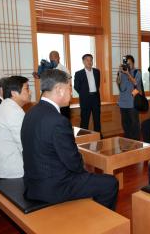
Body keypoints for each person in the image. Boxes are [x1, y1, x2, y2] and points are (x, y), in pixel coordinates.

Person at [21, 69, 118, 210]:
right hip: (54, 187)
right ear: (59, 89)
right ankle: (100, 223)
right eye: (69, 88)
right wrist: (85, 172)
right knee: (110, 183)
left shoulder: (30, 113)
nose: (71, 93)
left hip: (32, 183)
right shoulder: (57, 121)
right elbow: (74, 163)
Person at [0, 76, 31, 178]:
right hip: (13, 169)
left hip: (4, 165)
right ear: (14, 93)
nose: (30, 92)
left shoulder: (7, 106)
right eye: (27, 88)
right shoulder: (12, 111)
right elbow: (26, 144)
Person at [34, 50, 71, 119]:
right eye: (50, 59)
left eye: (54, 58)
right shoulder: (48, 68)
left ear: (58, 58)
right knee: (50, 117)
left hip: (60, 97)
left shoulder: (63, 68)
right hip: (49, 97)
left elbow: (67, 82)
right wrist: (39, 75)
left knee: (63, 117)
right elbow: (46, 81)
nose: (52, 60)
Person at [117, 55, 143, 140]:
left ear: (133, 63)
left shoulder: (137, 72)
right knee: (125, 124)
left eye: (130, 64)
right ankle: (128, 142)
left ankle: (136, 143)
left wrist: (128, 73)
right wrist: (120, 72)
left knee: (134, 124)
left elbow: (135, 82)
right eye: (126, 64)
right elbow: (118, 83)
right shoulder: (122, 72)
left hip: (132, 102)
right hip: (123, 102)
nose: (128, 66)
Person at [74, 54, 101, 133]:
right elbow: (76, 86)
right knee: (85, 120)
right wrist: (84, 94)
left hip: (95, 98)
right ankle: (83, 137)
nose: (89, 62)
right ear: (83, 62)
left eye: (91, 60)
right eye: (87, 60)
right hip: (85, 99)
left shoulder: (97, 72)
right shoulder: (79, 73)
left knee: (97, 120)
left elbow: (97, 85)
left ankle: (98, 136)